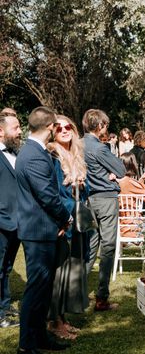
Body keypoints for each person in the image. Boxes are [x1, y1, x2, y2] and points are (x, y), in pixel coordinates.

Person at [15, 107, 72, 354]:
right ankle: (26, 347)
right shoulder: (34, 155)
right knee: (36, 289)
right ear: (50, 127)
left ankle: (39, 337)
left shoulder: (32, 151)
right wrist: (66, 217)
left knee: (44, 288)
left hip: (43, 229)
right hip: (39, 232)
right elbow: (47, 195)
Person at [46, 116, 90, 341]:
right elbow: (51, 193)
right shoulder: (52, 155)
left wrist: (82, 183)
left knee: (71, 269)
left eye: (68, 127)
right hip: (63, 221)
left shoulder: (77, 155)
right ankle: (54, 321)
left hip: (77, 221)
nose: (64, 131)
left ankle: (62, 318)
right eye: (59, 128)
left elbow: (86, 190)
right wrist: (63, 217)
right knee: (59, 273)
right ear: (52, 132)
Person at [83, 109, 126, 312]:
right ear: (100, 125)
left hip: (88, 199)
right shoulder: (100, 148)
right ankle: (102, 297)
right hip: (106, 198)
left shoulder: (78, 145)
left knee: (90, 246)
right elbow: (121, 170)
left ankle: (77, 293)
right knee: (107, 247)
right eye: (105, 125)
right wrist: (110, 169)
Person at [0, 111, 22, 329]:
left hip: (17, 221)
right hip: (1, 220)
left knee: (6, 268)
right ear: (1, 131)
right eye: (15, 128)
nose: (19, 131)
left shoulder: (16, 153)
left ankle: (4, 305)